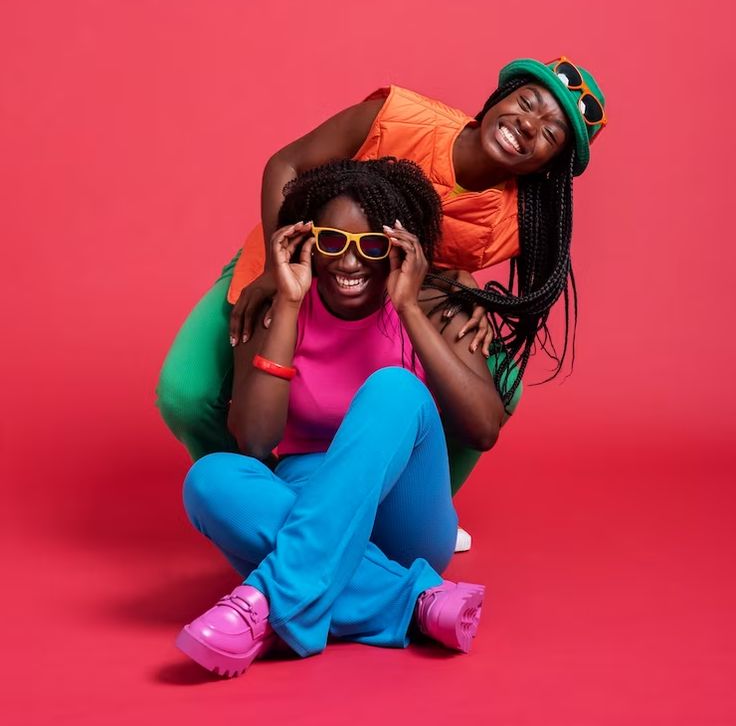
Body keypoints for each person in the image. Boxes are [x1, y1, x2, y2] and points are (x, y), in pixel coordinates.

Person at [157, 55, 607, 493]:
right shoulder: (400, 116)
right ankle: (257, 492)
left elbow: (431, 258)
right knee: (186, 395)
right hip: (288, 265)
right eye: (527, 104)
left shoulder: (516, 222)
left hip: (369, 297)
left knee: (502, 389)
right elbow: (286, 165)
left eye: (551, 133)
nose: (529, 126)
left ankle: (415, 502)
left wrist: (466, 288)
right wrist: (278, 270)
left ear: (552, 165)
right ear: (500, 97)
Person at [177, 157, 512, 677]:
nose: (349, 262)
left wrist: (409, 309)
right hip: (306, 502)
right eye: (332, 242)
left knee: (394, 389)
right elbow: (255, 441)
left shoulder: (439, 301)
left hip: (404, 521)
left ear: (399, 249)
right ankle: (415, 599)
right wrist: (288, 304)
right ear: (309, 242)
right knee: (210, 478)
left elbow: (483, 427)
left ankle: (265, 600)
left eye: (373, 246)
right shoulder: (270, 302)